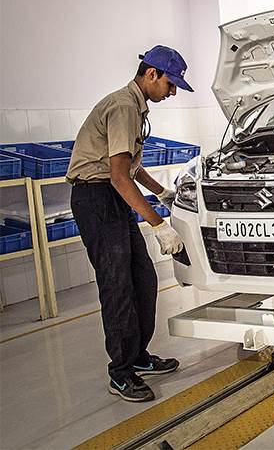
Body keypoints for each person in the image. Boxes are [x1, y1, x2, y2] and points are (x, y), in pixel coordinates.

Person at [66, 45, 191, 402]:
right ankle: (120, 373)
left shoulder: (135, 107)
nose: (173, 91)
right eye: (171, 83)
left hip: (110, 197)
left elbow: (131, 167)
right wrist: (159, 225)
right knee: (118, 284)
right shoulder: (123, 107)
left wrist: (163, 192)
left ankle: (138, 356)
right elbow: (120, 178)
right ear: (151, 73)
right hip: (97, 198)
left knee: (142, 277)